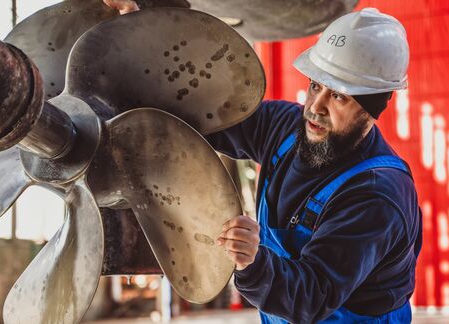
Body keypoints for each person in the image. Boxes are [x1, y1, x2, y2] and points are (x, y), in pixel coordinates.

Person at [104, 2, 422, 323]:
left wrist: (253, 263)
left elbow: (309, 296)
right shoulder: (285, 128)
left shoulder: (376, 195)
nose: (316, 107)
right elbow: (202, 115)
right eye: (315, 86)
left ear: (372, 107)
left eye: (338, 96)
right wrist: (140, 24)